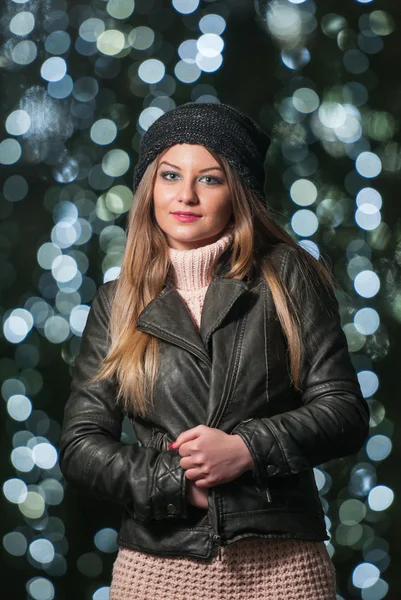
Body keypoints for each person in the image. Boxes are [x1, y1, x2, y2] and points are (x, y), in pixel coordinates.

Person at [58, 102, 370, 599]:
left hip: (284, 567)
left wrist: (247, 449)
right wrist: (173, 480)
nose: (185, 195)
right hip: (155, 570)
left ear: (238, 192)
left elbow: (344, 412)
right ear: (149, 188)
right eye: (169, 175)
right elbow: (81, 446)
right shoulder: (117, 302)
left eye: (209, 179)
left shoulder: (288, 277)